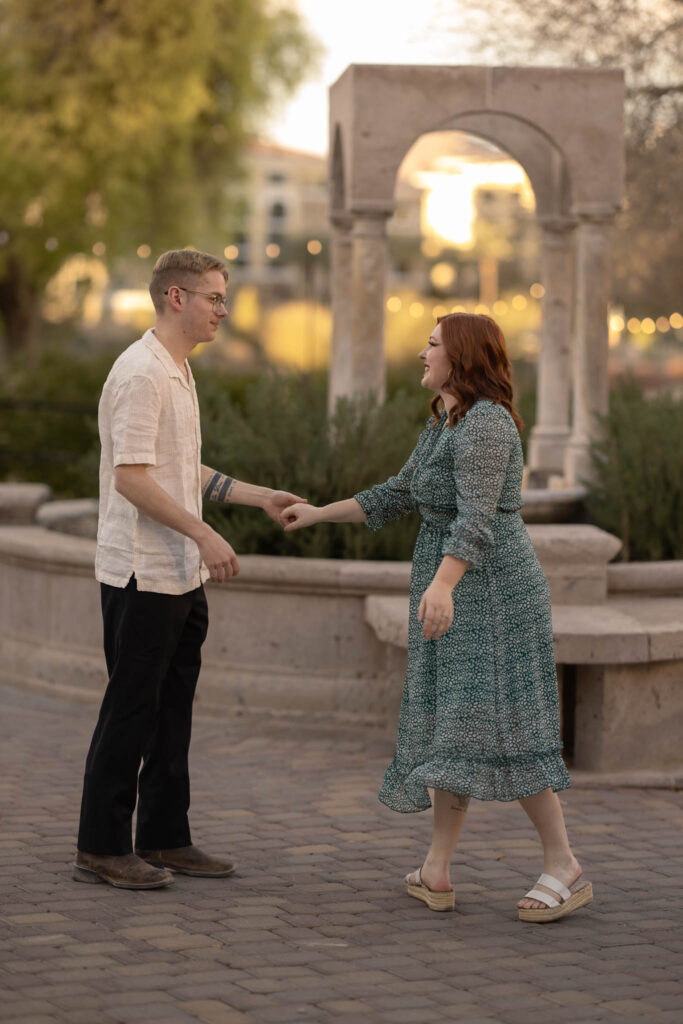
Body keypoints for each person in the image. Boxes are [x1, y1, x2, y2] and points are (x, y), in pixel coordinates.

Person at [283, 312, 592, 923]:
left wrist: (443, 583)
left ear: (463, 357)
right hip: (452, 586)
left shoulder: (485, 425)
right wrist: (317, 513)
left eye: (432, 345)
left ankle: (565, 865)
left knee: (504, 723)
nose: (421, 354)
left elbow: (477, 518)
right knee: (453, 725)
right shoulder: (444, 422)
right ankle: (436, 870)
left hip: (492, 592)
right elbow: (396, 493)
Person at [74, 248, 304, 890]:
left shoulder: (176, 368)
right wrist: (205, 534)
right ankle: (100, 846)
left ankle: (165, 838)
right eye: (213, 298)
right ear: (177, 297)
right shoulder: (142, 373)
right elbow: (131, 480)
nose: (223, 311)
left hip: (179, 576)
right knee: (131, 709)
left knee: (172, 711)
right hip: (141, 574)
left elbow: (180, 470)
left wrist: (258, 497)